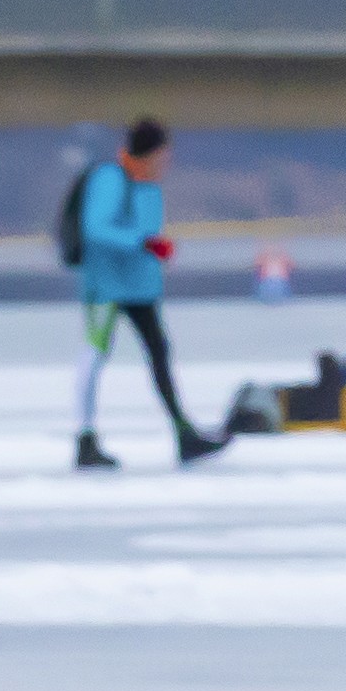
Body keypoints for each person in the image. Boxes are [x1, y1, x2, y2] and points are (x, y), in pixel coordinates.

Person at [70, 117, 223, 468]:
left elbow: (146, 234)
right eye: (162, 156)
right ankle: (85, 439)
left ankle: (184, 434)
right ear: (148, 154)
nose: (166, 164)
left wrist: (155, 250)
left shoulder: (150, 188)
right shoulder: (109, 180)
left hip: (140, 289)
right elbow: (96, 229)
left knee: (159, 353)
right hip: (105, 288)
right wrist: (144, 243)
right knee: (94, 357)